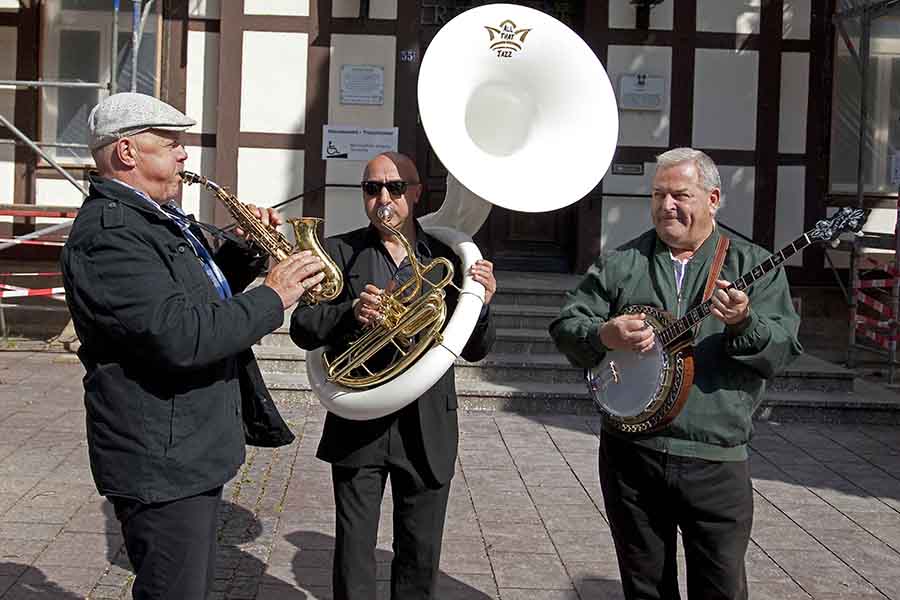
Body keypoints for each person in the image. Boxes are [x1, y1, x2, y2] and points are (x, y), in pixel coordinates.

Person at [60, 92, 326, 599]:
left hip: (182, 449)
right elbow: (181, 336)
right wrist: (274, 295)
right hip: (160, 458)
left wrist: (250, 253)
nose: (184, 155)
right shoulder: (111, 236)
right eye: (171, 144)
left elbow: (194, 296)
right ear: (127, 153)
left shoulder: (150, 218)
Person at [549, 147, 802, 600]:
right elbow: (568, 327)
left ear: (714, 198)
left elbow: (782, 351)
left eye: (681, 195)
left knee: (720, 587)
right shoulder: (622, 262)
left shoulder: (752, 266)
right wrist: (604, 333)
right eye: (659, 195)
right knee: (645, 586)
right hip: (631, 455)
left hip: (714, 457)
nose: (667, 206)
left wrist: (745, 323)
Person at [290, 152, 496, 600]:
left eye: (395, 188)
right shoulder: (341, 252)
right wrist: (349, 313)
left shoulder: (447, 256)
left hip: (427, 425)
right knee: (354, 554)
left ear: (417, 193)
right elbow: (303, 329)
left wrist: (481, 300)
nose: (384, 198)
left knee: (420, 556)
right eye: (372, 188)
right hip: (358, 425)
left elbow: (477, 348)